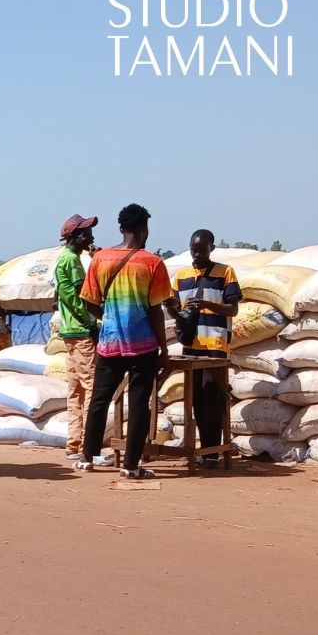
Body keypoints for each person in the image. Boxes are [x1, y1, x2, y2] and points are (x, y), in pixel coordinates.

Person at [77, 204, 172, 479]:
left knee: (99, 399)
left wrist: (107, 316)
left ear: (121, 228)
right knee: (140, 403)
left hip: (109, 344)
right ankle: (131, 465)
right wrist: (164, 350)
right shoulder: (153, 262)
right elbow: (156, 311)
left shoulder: (100, 259)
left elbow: (89, 303)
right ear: (144, 229)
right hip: (142, 346)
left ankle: (87, 456)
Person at [165, 229, 241, 468]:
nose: (196, 254)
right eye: (193, 249)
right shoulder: (181, 277)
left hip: (215, 345)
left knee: (213, 399)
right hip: (191, 347)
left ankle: (211, 454)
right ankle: (205, 451)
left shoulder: (225, 273)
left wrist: (208, 305)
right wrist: (175, 310)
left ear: (212, 248)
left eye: (201, 250)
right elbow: (175, 311)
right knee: (197, 400)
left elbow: (232, 310)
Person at [54, 214, 100, 462]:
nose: (90, 237)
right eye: (86, 233)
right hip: (81, 332)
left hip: (69, 333)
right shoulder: (71, 261)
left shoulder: (65, 259)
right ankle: (87, 446)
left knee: (75, 391)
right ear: (74, 237)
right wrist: (91, 322)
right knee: (92, 387)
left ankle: (74, 443)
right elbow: (78, 299)